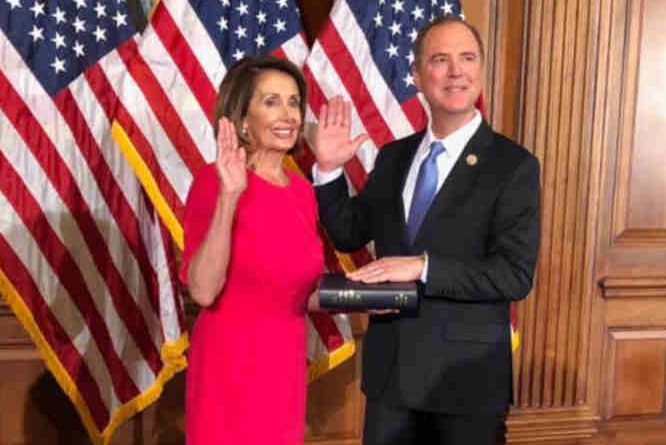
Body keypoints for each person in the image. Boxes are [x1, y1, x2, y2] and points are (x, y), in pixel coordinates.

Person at [312, 17, 541, 445]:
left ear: (482, 70)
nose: (457, 71)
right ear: (417, 76)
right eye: (440, 60)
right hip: (390, 382)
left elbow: (514, 275)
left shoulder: (514, 166)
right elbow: (348, 233)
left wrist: (422, 267)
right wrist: (327, 170)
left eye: (467, 58)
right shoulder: (394, 157)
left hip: (465, 384)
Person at [179, 56, 325, 445]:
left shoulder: (302, 193)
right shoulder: (214, 182)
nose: (288, 114)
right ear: (242, 117)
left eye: (294, 102)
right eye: (271, 101)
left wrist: (368, 295)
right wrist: (230, 196)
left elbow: (301, 290)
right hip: (229, 372)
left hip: (285, 372)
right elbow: (204, 290)